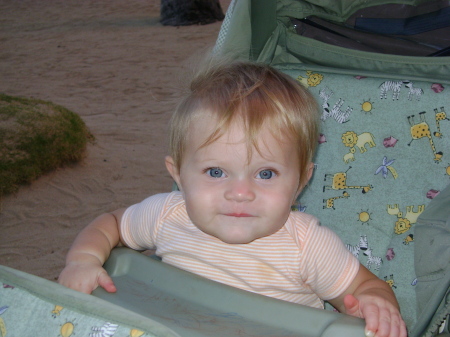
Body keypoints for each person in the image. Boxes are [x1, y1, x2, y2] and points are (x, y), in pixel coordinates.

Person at [59, 61, 407, 337]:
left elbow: (365, 284)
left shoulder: (307, 246)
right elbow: (112, 224)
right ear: (178, 174)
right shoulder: (167, 216)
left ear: (301, 180)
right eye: (215, 172)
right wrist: (84, 259)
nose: (240, 193)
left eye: (265, 174)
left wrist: (374, 304)